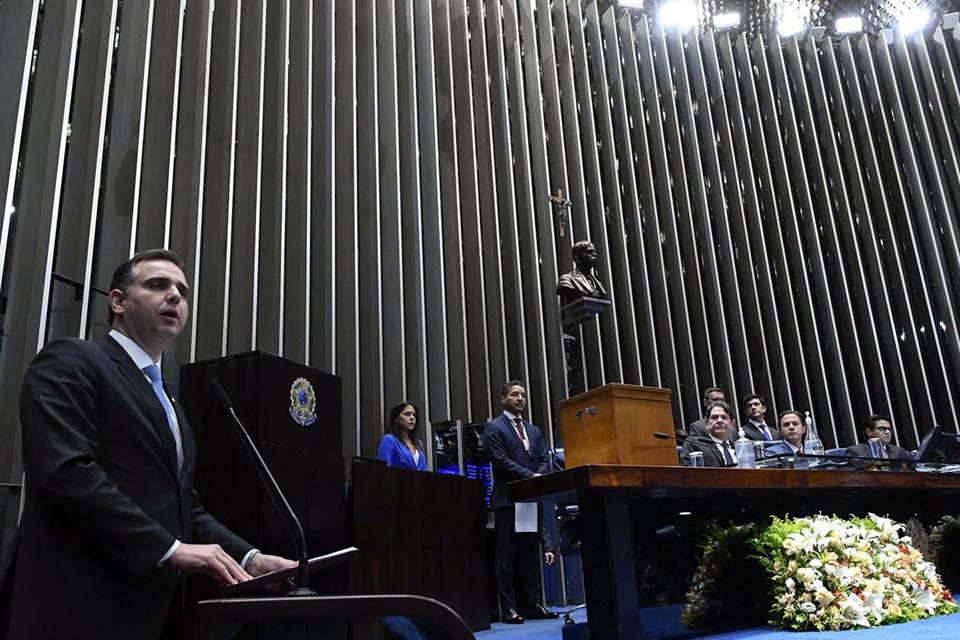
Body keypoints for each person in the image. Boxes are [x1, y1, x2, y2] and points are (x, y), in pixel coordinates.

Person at [1, 249, 295, 640]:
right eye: (158, 285)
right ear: (118, 302)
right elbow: (66, 472)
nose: (175, 295)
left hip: (153, 611)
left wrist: (249, 558)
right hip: (76, 603)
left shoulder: (169, 399)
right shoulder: (73, 360)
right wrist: (170, 549)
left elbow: (182, 505)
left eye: (182, 291)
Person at [484, 381, 558, 624]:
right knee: (506, 557)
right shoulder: (494, 427)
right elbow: (500, 460)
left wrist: (539, 476)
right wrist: (530, 477)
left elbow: (544, 458)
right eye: (514, 395)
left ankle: (534, 605)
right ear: (503, 399)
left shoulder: (534, 430)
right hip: (507, 500)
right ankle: (509, 609)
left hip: (529, 499)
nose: (520, 399)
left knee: (529, 555)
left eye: (523, 395)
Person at [680, 401, 738, 467]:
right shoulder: (694, 444)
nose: (719, 420)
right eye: (714, 417)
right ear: (707, 424)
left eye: (724, 417)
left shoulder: (740, 448)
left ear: (732, 424)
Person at [377, 401, 428, 470]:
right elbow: (384, 472)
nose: (412, 418)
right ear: (396, 418)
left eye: (414, 415)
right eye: (407, 414)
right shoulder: (388, 440)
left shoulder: (418, 444)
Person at [556, 241, 606, 307]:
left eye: (595, 252)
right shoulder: (566, 279)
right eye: (589, 252)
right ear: (577, 258)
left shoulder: (598, 284)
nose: (594, 254)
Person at [846, 414, 913, 462]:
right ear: (869, 431)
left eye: (889, 429)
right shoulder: (855, 451)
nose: (887, 432)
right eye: (882, 428)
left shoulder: (900, 451)